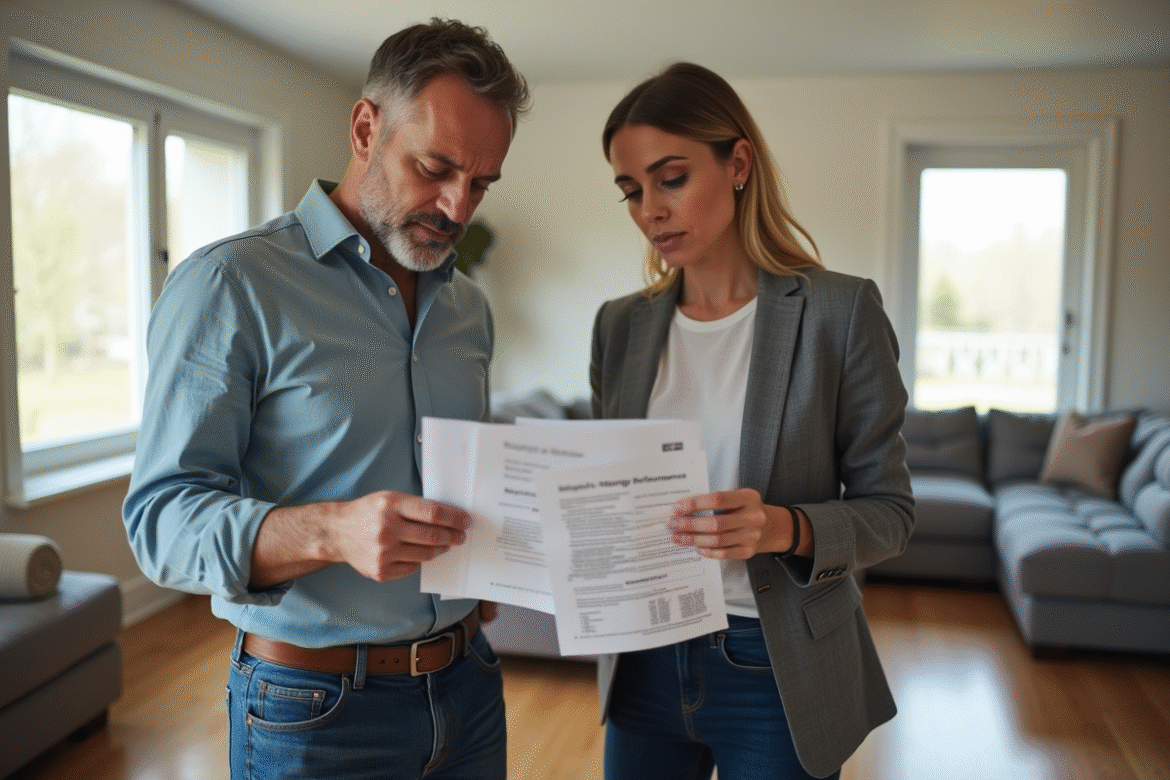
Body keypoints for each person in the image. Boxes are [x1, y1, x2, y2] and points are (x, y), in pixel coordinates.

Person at [122, 19, 529, 780]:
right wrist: (331, 531)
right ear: (366, 127)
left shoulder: (469, 308)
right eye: (436, 167)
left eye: (481, 183)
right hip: (313, 709)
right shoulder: (232, 285)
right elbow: (160, 524)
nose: (459, 207)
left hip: (470, 686)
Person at [591, 62, 915, 780]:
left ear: (737, 164)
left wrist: (783, 528)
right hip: (640, 662)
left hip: (776, 669)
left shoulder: (840, 312)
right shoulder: (619, 326)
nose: (649, 209)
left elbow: (891, 512)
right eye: (631, 190)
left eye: (670, 178)